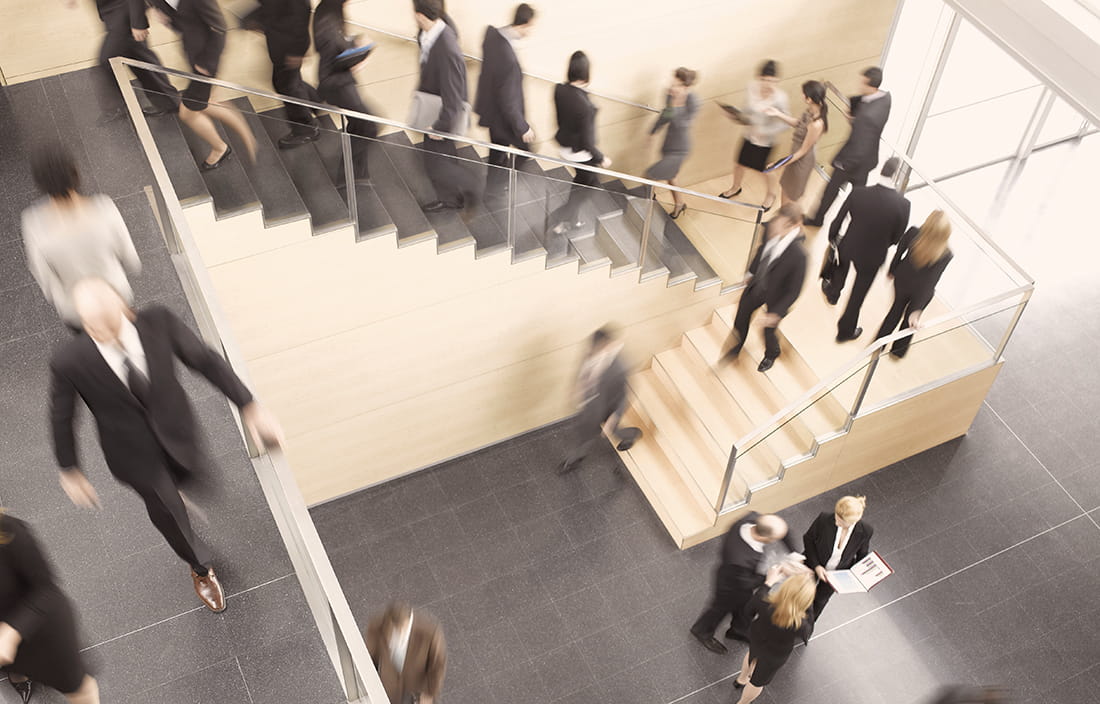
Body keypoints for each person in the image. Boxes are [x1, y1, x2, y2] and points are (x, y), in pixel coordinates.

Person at [49, 279, 284, 612]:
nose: (108, 336)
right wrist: (69, 468)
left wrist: (249, 406)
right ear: (85, 325)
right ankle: (201, 569)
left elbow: (206, 361)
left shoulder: (158, 322)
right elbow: (62, 415)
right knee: (168, 513)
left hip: (178, 431)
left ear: (125, 308)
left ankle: (181, 493)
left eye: (113, 325)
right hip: (133, 454)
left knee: (191, 479)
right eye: (96, 329)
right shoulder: (69, 360)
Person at [21, 144, 142, 331]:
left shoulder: (32, 223)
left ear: (40, 183)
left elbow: (45, 277)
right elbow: (131, 259)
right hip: (117, 298)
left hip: (77, 311)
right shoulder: (104, 207)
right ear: (75, 171)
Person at [0, 512, 100, 704]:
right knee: (16, 667)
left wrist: (12, 632)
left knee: (78, 688)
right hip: (6, 649)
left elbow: (47, 590)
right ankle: (19, 673)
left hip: (42, 634)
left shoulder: (7, 530)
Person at [145, 0, 257, 170]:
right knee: (206, 103)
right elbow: (185, 23)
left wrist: (208, 63)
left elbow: (220, 28)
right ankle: (244, 136)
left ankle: (222, 147)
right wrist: (168, 20)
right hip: (195, 58)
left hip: (205, 64)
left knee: (188, 111)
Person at [824, 156, 911, 342]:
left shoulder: (859, 193)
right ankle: (845, 331)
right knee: (857, 296)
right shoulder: (903, 205)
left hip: (850, 245)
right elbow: (897, 237)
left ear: (882, 170)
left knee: (841, 268)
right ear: (895, 176)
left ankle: (833, 293)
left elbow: (838, 220)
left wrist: (833, 239)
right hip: (873, 255)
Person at [721, 203, 808, 373]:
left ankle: (772, 353)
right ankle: (734, 350)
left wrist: (775, 313)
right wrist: (750, 273)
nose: (775, 230)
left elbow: (794, 290)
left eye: (782, 227)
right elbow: (761, 251)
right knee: (741, 318)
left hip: (777, 296)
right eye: (777, 223)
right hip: (758, 285)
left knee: (768, 331)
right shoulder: (771, 227)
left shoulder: (799, 256)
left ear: (794, 226)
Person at [690, 513, 794, 654]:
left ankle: (738, 630)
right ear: (765, 538)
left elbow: (783, 532)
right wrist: (774, 576)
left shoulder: (751, 520)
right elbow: (747, 583)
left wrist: (793, 554)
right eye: (775, 539)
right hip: (731, 584)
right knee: (720, 608)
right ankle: (702, 631)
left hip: (742, 577)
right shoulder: (739, 558)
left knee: (745, 607)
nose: (779, 540)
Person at [805, 66, 892, 227]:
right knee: (856, 200)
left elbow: (860, 142)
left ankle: (819, 221)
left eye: (863, 84)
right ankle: (847, 226)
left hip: (851, 162)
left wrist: (844, 163)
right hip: (868, 160)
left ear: (871, 86)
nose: (860, 85)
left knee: (830, 192)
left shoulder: (865, 117)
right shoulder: (886, 99)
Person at [69, 0, 180, 120]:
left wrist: (138, 23)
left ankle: (115, 108)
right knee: (139, 57)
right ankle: (169, 102)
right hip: (114, 12)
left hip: (124, 11)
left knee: (106, 61)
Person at [413, 0, 472, 212]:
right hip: (435, 103)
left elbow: (453, 95)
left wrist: (441, 127)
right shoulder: (432, 32)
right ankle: (456, 192)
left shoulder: (447, 47)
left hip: (442, 114)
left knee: (435, 158)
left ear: (420, 15)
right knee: (443, 153)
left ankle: (451, 199)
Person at [559, 326, 642, 474]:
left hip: (608, 408)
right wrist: (577, 388)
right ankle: (575, 459)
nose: (594, 350)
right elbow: (584, 371)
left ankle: (632, 434)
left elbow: (624, 395)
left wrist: (613, 417)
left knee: (614, 431)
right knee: (584, 432)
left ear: (607, 345)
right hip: (591, 405)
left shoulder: (619, 368)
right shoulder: (590, 354)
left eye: (599, 347)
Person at [874, 210, 953, 358]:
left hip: (902, 280)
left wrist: (892, 271)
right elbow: (932, 280)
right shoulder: (947, 254)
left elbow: (899, 253)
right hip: (921, 291)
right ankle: (899, 350)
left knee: (895, 311)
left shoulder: (913, 232)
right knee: (909, 321)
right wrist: (917, 309)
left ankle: (879, 344)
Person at [314, 0, 377, 184]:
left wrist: (352, 43)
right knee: (369, 127)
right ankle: (347, 172)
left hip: (341, 81)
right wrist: (355, 57)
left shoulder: (330, 9)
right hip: (337, 84)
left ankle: (356, 172)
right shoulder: (327, 20)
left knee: (359, 125)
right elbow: (331, 55)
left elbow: (335, 45)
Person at [548, 51, 610, 236]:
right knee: (590, 187)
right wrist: (602, 158)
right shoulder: (585, 107)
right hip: (580, 153)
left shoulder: (560, 89)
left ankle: (572, 219)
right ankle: (559, 219)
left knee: (581, 182)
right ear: (586, 74)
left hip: (564, 147)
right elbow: (587, 142)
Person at [731, 571, 815, 704]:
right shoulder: (800, 624)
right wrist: (809, 605)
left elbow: (748, 611)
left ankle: (741, 679)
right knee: (757, 682)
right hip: (775, 654)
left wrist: (768, 583)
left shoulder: (764, 601)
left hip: (757, 638)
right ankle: (743, 703)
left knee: (751, 655)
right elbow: (807, 635)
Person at [719, 60, 790, 211]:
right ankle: (735, 187)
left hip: (766, 141)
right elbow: (747, 110)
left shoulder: (780, 98)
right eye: (764, 80)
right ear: (759, 77)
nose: (767, 84)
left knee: (766, 170)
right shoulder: (751, 88)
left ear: (777, 80)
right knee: (739, 164)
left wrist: (764, 131)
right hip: (749, 135)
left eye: (771, 81)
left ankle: (771, 195)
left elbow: (785, 123)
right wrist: (736, 115)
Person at [251, 0, 322, 148]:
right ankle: (315, 100)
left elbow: (300, 15)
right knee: (286, 81)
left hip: (289, 47)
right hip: (280, 40)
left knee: (286, 85)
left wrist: (297, 52)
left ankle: (305, 128)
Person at [474, 4, 537, 171]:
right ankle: (500, 185)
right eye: (530, 27)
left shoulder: (492, 35)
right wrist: (522, 127)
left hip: (490, 109)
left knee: (497, 152)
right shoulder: (508, 59)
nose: (530, 32)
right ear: (525, 24)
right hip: (503, 116)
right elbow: (508, 100)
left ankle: (498, 182)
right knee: (527, 148)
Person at [801, 495, 873, 619]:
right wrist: (817, 566)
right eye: (836, 517)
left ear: (853, 522)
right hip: (813, 564)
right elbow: (808, 539)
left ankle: (804, 632)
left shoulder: (865, 531)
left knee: (819, 602)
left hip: (835, 575)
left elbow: (862, 555)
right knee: (801, 596)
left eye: (840, 521)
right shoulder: (824, 519)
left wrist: (856, 577)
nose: (836, 522)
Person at [364, 601, 447, 704]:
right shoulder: (377, 627)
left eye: (400, 629)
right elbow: (370, 657)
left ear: (408, 622)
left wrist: (429, 693)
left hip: (417, 690)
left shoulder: (429, 633)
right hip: (390, 687)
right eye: (393, 629)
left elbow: (437, 665)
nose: (396, 633)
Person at [645, 67, 700, 219]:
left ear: (685, 87)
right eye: (672, 82)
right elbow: (666, 115)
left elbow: (683, 124)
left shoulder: (693, 102)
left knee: (650, 175)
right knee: (671, 177)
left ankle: (646, 205)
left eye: (676, 85)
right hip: (668, 145)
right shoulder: (670, 95)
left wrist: (677, 104)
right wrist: (652, 131)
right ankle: (679, 204)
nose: (672, 87)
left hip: (681, 149)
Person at [767, 80, 828, 206]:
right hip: (793, 156)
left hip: (801, 161)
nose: (802, 96)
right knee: (785, 188)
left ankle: (790, 222)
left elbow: (802, 151)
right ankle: (781, 216)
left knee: (792, 196)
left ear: (809, 99)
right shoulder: (810, 111)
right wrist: (778, 114)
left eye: (803, 94)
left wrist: (778, 164)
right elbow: (798, 124)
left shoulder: (816, 124)